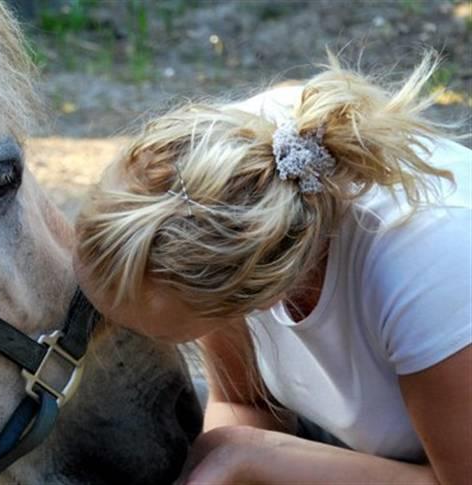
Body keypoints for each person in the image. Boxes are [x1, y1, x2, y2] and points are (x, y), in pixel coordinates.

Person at [73, 53, 471, 484]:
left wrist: (253, 455)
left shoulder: (432, 268)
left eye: (160, 333)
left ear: (249, 295)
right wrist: (226, 457)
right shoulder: (230, 188)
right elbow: (246, 403)